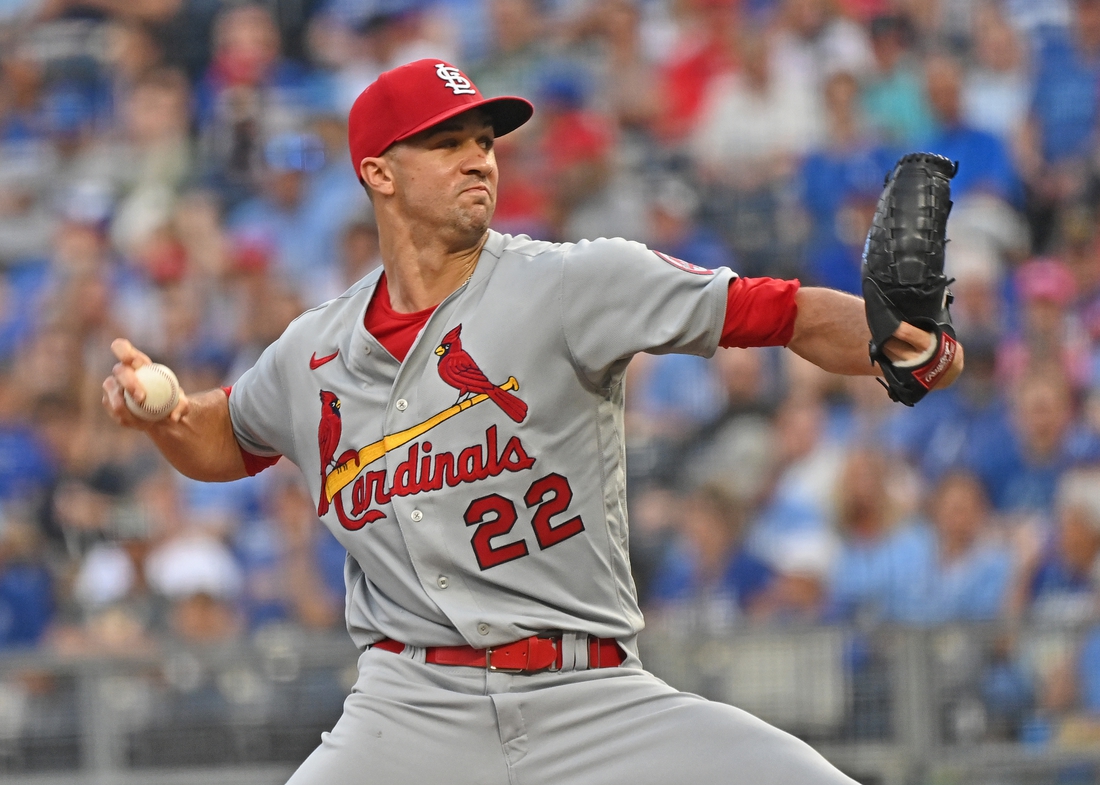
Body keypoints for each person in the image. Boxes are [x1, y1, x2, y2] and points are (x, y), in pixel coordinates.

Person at [102, 59, 964, 785]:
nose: (480, 159)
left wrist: (902, 344)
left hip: (591, 696)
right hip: (408, 710)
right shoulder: (311, 350)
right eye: (448, 142)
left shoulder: (572, 282)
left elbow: (779, 312)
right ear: (378, 171)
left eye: (485, 141)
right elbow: (226, 436)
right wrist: (169, 414)